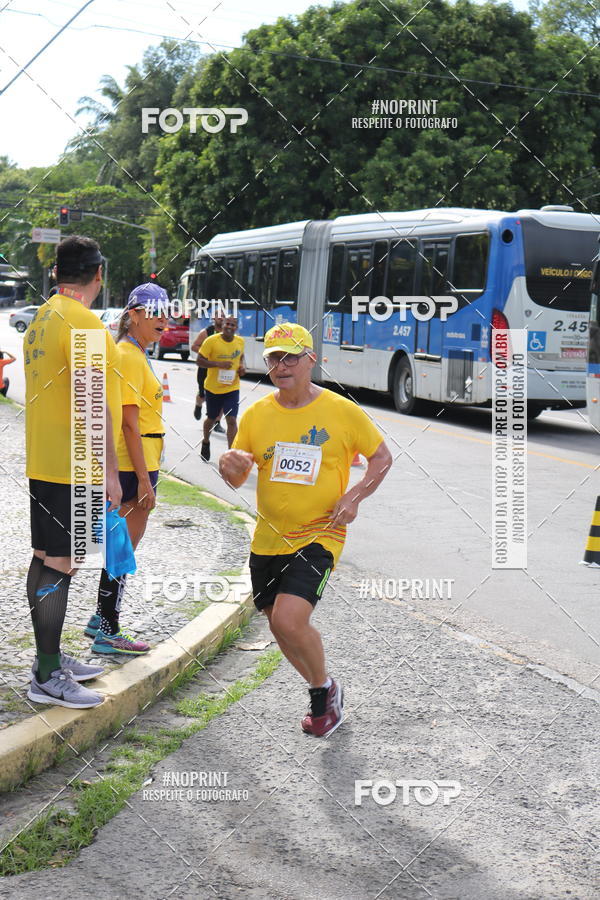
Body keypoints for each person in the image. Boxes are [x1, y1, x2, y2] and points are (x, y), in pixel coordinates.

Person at [219, 323, 392, 737]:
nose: (281, 366)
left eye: (290, 358)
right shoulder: (257, 414)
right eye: (274, 359)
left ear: (311, 360)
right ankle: (325, 687)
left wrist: (354, 496)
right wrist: (229, 467)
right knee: (278, 625)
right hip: (268, 538)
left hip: (319, 534)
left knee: (290, 620)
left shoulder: (341, 411)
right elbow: (238, 476)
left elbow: (382, 457)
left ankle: (321, 700)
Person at [25, 235, 122, 709]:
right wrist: (111, 472)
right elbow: (92, 402)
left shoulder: (41, 319)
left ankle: (49, 657)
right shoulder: (84, 322)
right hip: (74, 465)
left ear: (56, 272)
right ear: (98, 274)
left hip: (45, 460)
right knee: (63, 563)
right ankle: (47, 675)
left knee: (47, 557)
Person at [85, 283, 168, 655]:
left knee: (119, 548)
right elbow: (129, 424)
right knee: (122, 551)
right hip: (135, 467)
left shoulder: (134, 351)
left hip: (141, 463)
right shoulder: (129, 356)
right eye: (155, 313)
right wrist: (144, 481)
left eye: (167, 314)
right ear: (133, 315)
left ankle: (99, 620)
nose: (163, 321)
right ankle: (108, 631)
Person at [197, 315, 245, 461]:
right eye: (227, 324)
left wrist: (242, 367)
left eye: (232, 325)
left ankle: (231, 454)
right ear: (222, 325)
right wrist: (218, 364)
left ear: (236, 328)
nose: (229, 327)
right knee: (211, 419)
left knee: (231, 420)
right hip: (213, 388)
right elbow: (199, 361)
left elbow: (241, 357)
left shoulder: (240, 341)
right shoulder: (211, 341)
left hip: (232, 388)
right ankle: (206, 441)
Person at [191, 315, 224, 432]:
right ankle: (198, 405)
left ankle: (217, 422)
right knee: (203, 394)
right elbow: (194, 346)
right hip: (205, 368)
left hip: (221, 370)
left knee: (223, 395)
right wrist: (207, 352)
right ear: (214, 318)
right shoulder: (206, 332)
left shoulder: (228, 333)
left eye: (223, 316)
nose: (221, 318)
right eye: (219, 316)